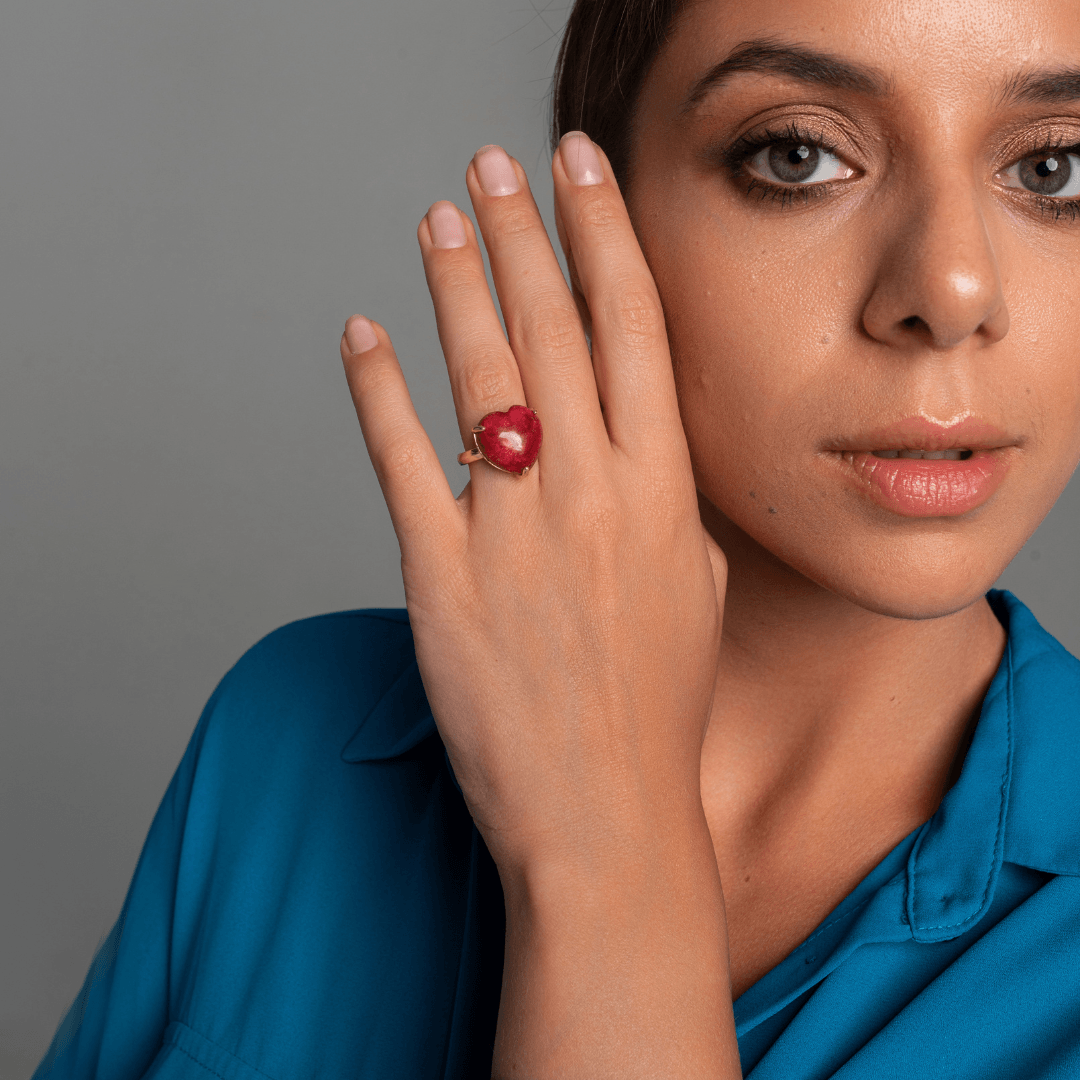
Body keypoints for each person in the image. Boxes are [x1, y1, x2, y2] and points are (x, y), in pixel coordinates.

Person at [33, 0, 1080, 1075]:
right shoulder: (296, 736)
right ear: (600, 224)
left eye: (1054, 170)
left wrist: (606, 869)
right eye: (799, 154)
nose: (954, 291)